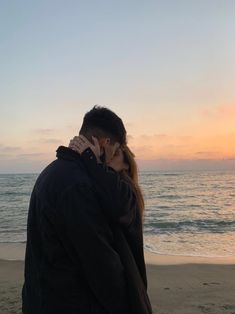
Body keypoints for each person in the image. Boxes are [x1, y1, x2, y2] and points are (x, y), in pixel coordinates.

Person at [22, 106, 130, 314]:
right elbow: (98, 258)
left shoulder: (51, 171)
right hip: (67, 303)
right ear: (104, 144)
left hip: (41, 297)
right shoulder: (78, 185)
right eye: (115, 151)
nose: (113, 159)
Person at [69, 135, 152, 314]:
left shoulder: (126, 190)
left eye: (116, 155)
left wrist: (90, 158)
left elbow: (116, 204)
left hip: (128, 277)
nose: (109, 157)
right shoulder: (109, 185)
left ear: (127, 164)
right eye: (109, 155)